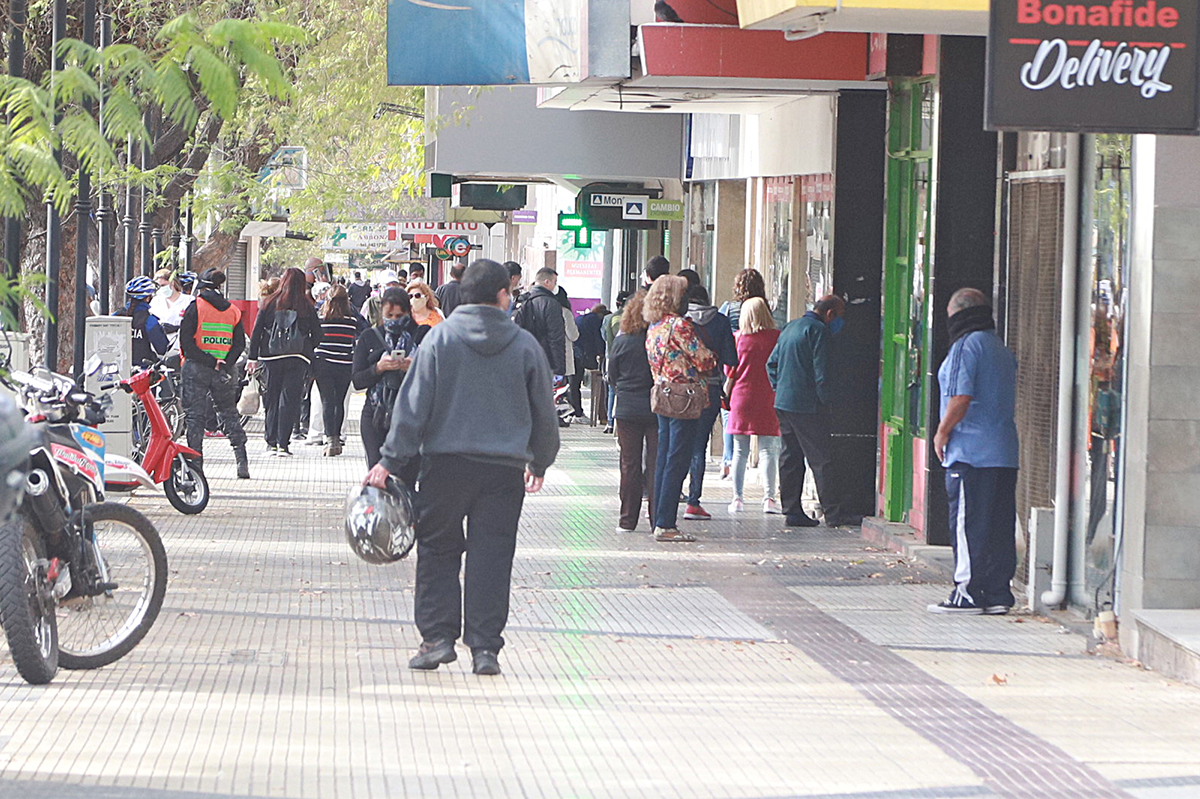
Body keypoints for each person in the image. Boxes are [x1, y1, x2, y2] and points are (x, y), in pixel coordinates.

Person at [364, 259, 560, 677]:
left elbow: (412, 408)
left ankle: (437, 639)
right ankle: (485, 648)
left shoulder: (439, 341)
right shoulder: (525, 346)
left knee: (438, 550)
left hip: (444, 466)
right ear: (502, 296)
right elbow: (545, 410)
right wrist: (540, 459)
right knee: (493, 554)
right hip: (503, 471)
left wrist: (390, 461)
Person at [928, 288, 1019, 615]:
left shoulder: (965, 347)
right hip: (1004, 451)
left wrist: (941, 432)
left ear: (957, 315)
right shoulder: (1000, 349)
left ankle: (966, 591)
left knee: (968, 525)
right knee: (998, 525)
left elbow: (960, 397)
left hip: (969, 452)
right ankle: (997, 592)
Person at [767, 294, 857, 528]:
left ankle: (792, 510)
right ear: (829, 314)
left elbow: (771, 363)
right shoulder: (819, 332)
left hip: (784, 403)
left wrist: (780, 387)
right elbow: (822, 373)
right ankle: (834, 513)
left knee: (790, 457)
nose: (839, 322)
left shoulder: (790, 327)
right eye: (839, 316)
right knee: (821, 459)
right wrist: (827, 402)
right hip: (807, 406)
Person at [644, 276, 715, 543]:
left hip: (662, 396)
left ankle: (659, 518)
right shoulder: (681, 326)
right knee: (678, 459)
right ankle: (666, 523)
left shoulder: (655, 327)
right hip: (684, 398)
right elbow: (703, 359)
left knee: (663, 458)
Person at [178, 268, 250, 479]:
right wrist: (224, 362)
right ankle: (241, 460)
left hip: (196, 369)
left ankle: (196, 467)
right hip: (225, 371)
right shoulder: (233, 311)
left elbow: (186, 344)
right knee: (229, 413)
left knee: (195, 419)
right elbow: (238, 344)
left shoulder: (195, 308)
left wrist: (209, 361)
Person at [248, 267, 321, 457]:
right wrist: (306, 348)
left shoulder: (268, 302)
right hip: (298, 358)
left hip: (270, 357)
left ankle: (270, 443)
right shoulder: (306, 305)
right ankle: (283, 444)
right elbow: (318, 335)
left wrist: (253, 357)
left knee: (271, 399)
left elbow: (256, 332)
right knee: (289, 401)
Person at [682, 285, 738, 520]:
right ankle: (694, 501)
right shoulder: (721, 321)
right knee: (699, 446)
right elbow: (730, 358)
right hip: (710, 389)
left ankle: (669, 496)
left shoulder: (680, 322)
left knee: (676, 442)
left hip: (681, 389)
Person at [352, 287, 423, 471]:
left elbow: (439, 376)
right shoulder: (370, 336)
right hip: (376, 414)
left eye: (399, 315)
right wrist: (378, 368)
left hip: (411, 415)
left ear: (409, 312)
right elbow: (357, 381)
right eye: (389, 315)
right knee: (377, 470)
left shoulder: (422, 335)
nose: (394, 320)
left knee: (407, 473)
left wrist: (415, 367)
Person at [724, 297, 782, 514]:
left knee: (740, 450)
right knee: (769, 449)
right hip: (769, 397)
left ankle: (737, 498)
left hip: (741, 398)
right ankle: (769, 499)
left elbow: (729, 371)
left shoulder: (738, 339)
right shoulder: (776, 337)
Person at [607, 291, 656, 532]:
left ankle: (627, 520)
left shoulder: (622, 341)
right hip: (655, 407)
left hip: (626, 408)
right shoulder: (655, 340)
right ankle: (658, 518)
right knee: (656, 463)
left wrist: (622, 390)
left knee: (629, 464)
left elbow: (612, 374)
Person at [718, 268, 768, 478]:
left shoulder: (729, 308)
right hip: (759, 369)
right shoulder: (765, 309)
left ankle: (728, 459)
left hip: (731, 365)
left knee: (729, 414)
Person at [312, 285, 364, 458]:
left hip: (323, 364)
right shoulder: (352, 321)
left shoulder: (321, 319)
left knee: (327, 400)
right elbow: (364, 331)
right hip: (345, 364)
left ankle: (331, 440)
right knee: (339, 402)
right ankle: (337, 438)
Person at [514, 267, 566, 375]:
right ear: (547, 282)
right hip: (543, 360)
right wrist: (559, 369)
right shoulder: (551, 303)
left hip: (520, 358)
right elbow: (555, 338)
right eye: (554, 282)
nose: (555, 286)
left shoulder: (521, 300)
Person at [120, 276, 171, 366]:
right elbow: (162, 349)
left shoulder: (117, 315)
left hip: (117, 367)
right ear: (147, 298)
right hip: (142, 371)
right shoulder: (149, 320)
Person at [601, 291, 632, 433]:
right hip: (628, 360)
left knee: (612, 390)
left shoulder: (609, 318)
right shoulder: (636, 320)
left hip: (611, 355)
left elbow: (605, 336)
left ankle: (610, 421)